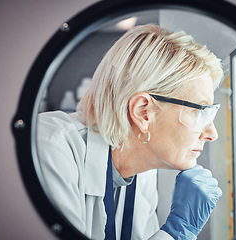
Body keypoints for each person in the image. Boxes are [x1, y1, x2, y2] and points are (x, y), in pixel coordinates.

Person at [36, 24, 223, 240]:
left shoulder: (143, 172)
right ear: (143, 111)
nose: (211, 133)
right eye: (198, 112)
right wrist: (177, 232)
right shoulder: (49, 147)